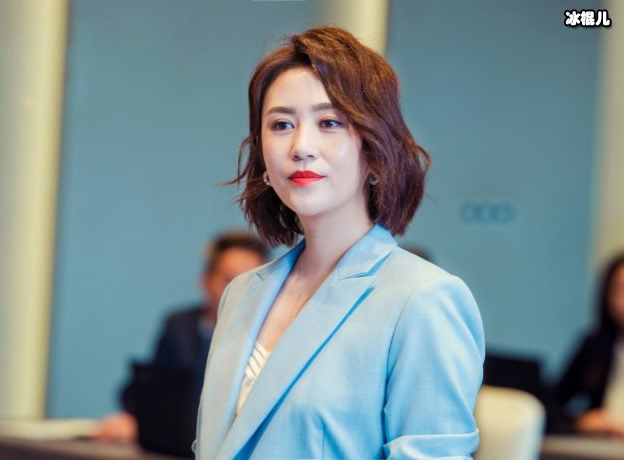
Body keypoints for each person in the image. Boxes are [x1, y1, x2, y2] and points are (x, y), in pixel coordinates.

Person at [195, 26, 485, 459]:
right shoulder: (241, 294)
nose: (301, 146)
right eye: (281, 124)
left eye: (329, 122)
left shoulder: (423, 299)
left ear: (374, 147)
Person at [95, 231, 268, 450]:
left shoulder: (268, 338)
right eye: (230, 280)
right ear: (206, 281)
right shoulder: (180, 327)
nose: (240, 292)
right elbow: (154, 391)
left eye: (251, 283)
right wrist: (135, 419)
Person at [553, 253, 624, 436]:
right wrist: (580, 420)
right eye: (620, 289)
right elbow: (552, 403)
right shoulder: (595, 346)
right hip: (600, 445)